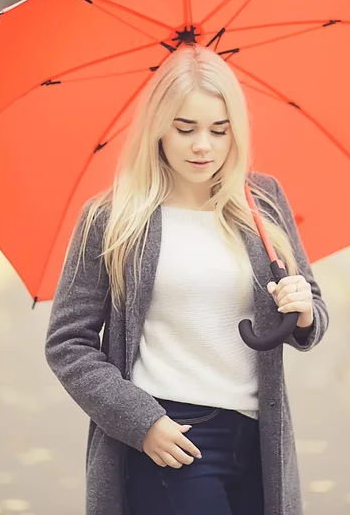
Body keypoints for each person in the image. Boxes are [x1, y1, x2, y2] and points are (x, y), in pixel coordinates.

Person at [45, 44, 329, 515]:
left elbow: (312, 313)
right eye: (186, 128)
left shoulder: (262, 201)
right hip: (172, 437)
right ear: (159, 128)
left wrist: (303, 311)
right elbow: (68, 343)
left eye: (220, 130)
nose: (204, 145)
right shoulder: (112, 218)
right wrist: (141, 422)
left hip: (260, 438)